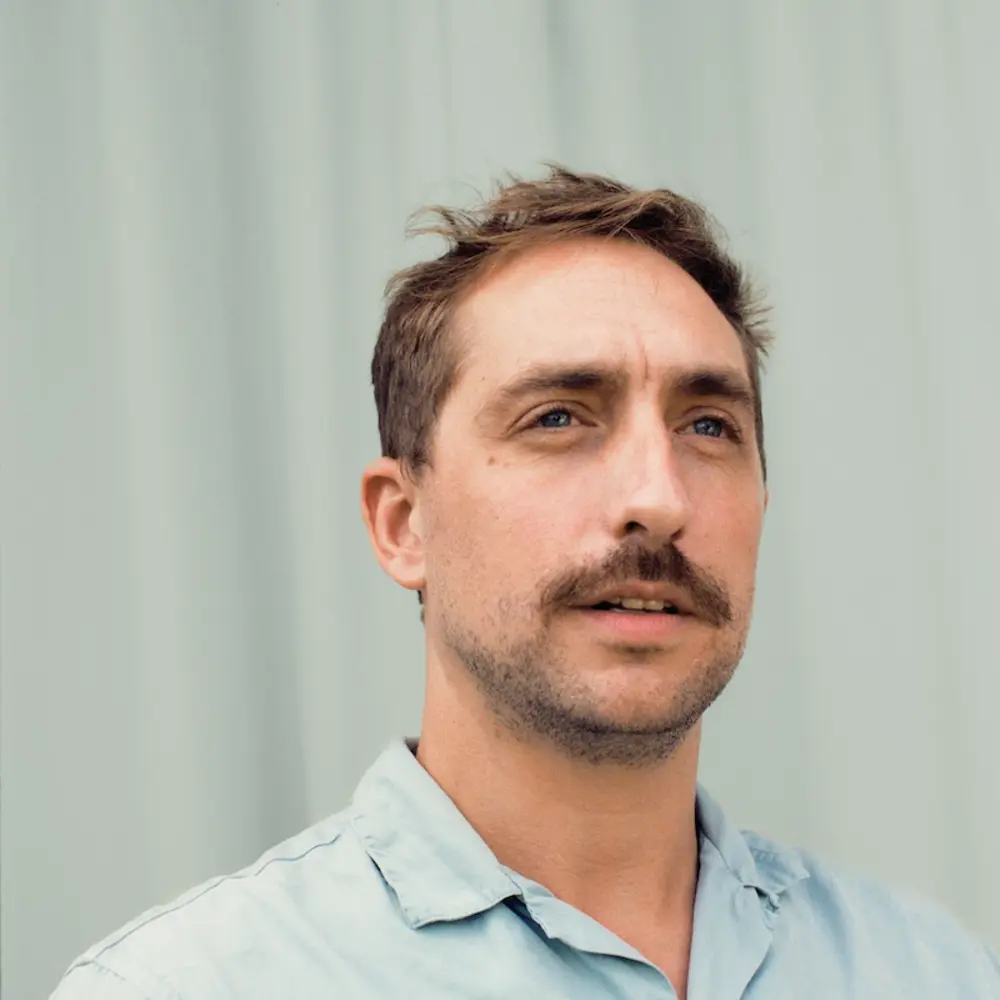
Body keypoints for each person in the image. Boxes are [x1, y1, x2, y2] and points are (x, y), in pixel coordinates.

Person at [52, 166, 1000, 999]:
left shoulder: (930, 971)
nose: (658, 497)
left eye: (708, 425)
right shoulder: (190, 988)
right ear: (401, 522)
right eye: (558, 417)